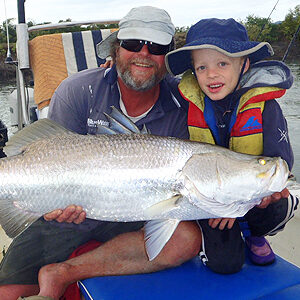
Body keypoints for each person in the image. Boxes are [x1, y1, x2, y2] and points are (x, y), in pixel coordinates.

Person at [0, 6, 202, 300]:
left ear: (167, 57)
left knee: (187, 239)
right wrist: (52, 207)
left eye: (156, 47)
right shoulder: (77, 89)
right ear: (116, 50)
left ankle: (64, 273)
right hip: (69, 213)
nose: (143, 53)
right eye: (133, 44)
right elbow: (43, 149)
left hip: (141, 213)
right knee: (6, 292)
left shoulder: (184, 103)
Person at [165, 18, 298, 274]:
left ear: (244, 64)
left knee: (278, 205)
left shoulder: (266, 107)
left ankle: (256, 234)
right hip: (211, 198)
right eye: (202, 67)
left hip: (253, 196)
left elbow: (281, 163)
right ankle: (225, 237)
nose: (212, 74)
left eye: (222, 63)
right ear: (193, 71)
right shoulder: (187, 103)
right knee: (225, 265)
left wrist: (242, 203)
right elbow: (156, 87)